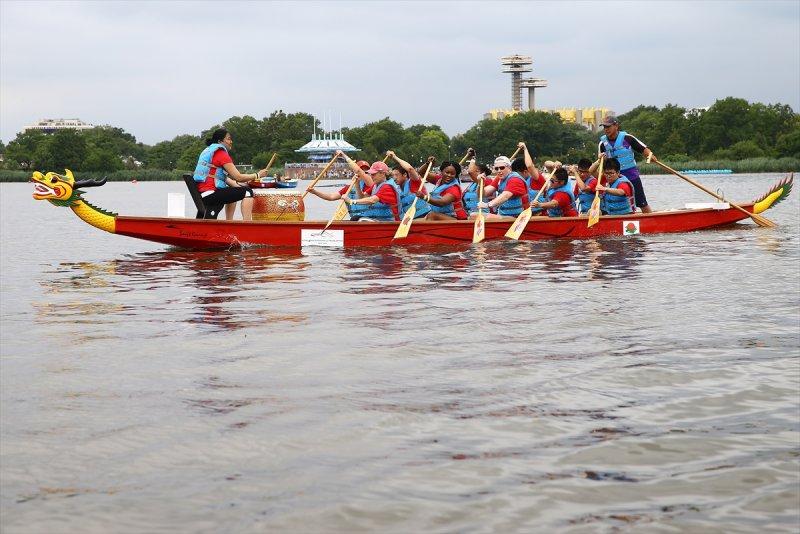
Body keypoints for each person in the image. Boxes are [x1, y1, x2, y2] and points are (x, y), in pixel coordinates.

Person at [192, 128, 269, 220]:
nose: (231, 141)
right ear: (220, 141)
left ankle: (229, 222)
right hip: (210, 194)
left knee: (233, 190)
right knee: (248, 192)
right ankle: (247, 224)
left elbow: (224, 178)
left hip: (203, 193)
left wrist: (241, 185)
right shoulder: (220, 153)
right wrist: (258, 175)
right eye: (228, 139)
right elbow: (238, 177)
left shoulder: (208, 151)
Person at [598, 115, 657, 213]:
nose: (606, 129)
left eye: (608, 127)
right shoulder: (602, 144)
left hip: (632, 175)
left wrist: (650, 156)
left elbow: (644, 149)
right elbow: (601, 165)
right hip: (615, 178)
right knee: (615, 201)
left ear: (616, 126)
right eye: (604, 127)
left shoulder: (628, 138)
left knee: (641, 202)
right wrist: (601, 160)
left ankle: (652, 221)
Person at [306, 159, 373, 220]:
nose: (364, 174)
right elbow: (331, 197)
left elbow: (363, 197)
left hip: (369, 218)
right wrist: (314, 192)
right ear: (355, 172)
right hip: (355, 220)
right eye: (361, 171)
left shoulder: (372, 186)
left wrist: (357, 184)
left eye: (366, 172)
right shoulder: (348, 188)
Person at [340, 157, 402, 221]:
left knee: (360, 220)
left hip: (389, 222)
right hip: (378, 220)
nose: (371, 176)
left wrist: (351, 201)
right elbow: (362, 197)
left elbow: (372, 200)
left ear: (383, 173)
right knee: (355, 218)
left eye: (374, 174)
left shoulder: (387, 187)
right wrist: (357, 184)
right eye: (371, 174)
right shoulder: (375, 186)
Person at [385, 151, 432, 219]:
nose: (394, 178)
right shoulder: (396, 189)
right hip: (410, 220)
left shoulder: (414, 182)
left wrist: (394, 157)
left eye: (396, 175)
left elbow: (410, 169)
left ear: (404, 175)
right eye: (393, 176)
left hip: (425, 217)